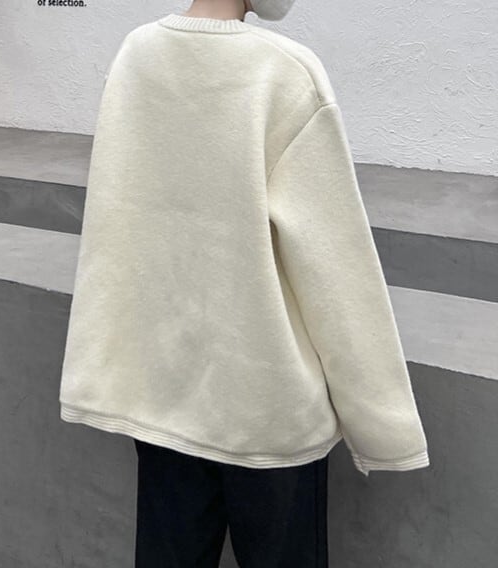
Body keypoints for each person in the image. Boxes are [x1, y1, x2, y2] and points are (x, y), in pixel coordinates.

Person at [59, 0, 431, 565]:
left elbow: (118, 225)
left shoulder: (137, 55)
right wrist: (384, 425)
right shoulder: (283, 72)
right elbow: (335, 267)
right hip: (268, 410)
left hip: (162, 395)